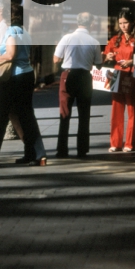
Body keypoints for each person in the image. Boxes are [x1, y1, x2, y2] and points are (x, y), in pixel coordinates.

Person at [0, 3, 47, 167]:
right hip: (27, 76)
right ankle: (36, 154)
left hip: (13, 79)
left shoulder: (11, 31)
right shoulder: (25, 32)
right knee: (26, 117)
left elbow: (10, 55)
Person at [54, 12, 102, 159]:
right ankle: (82, 149)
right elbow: (99, 65)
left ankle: (62, 150)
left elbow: (56, 59)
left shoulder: (67, 38)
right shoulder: (94, 42)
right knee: (84, 114)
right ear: (91, 23)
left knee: (64, 113)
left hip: (67, 76)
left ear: (77, 22)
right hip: (85, 78)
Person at [103, 9, 135, 152]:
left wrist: (131, 61)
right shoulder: (115, 39)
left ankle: (130, 143)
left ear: (132, 22)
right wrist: (108, 56)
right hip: (117, 76)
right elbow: (105, 54)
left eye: (125, 23)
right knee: (116, 108)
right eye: (120, 23)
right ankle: (115, 142)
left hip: (133, 76)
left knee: (132, 108)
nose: (123, 26)